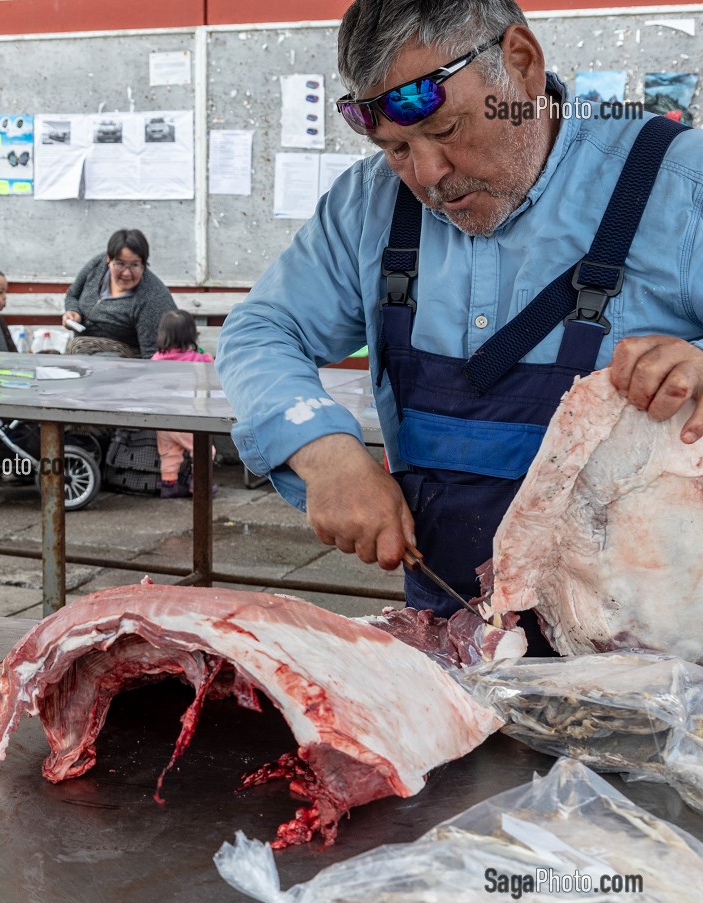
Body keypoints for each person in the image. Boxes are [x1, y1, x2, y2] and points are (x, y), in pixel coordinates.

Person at [216, 0, 703, 654]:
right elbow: (261, 329)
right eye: (395, 149)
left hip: (659, 657)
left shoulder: (681, 181)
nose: (427, 176)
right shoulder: (366, 208)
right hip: (462, 645)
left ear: (522, 65)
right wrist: (322, 450)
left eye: (445, 129)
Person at [62, 228, 177, 358]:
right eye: (120, 264)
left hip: (128, 361)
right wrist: (73, 311)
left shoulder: (152, 298)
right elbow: (72, 295)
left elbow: (154, 356)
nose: (126, 273)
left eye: (135, 265)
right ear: (108, 259)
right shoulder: (97, 265)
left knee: (80, 346)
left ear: (144, 264)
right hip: (87, 359)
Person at [150, 310, 215, 499]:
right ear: (191, 335)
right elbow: (212, 372)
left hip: (163, 418)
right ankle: (200, 484)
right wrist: (207, 357)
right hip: (187, 417)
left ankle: (169, 485)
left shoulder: (156, 359)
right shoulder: (198, 359)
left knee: (170, 452)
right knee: (204, 450)